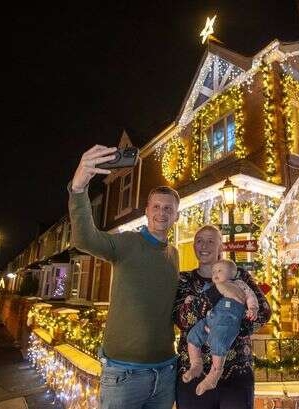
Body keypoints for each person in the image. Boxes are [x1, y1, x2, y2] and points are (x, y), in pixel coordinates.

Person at [69, 144, 180, 409]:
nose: (161, 213)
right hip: (124, 374)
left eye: (168, 209)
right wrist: (78, 189)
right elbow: (85, 238)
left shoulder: (174, 254)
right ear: (147, 211)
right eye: (156, 207)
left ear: (176, 215)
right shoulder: (127, 243)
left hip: (166, 372)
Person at [173, 225, 271, 409]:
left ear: (221, 247)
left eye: (211, 241)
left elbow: (264, 311)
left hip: (236, 374)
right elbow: (182, 318)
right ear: (194, 246)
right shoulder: (185, 280)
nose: (204, 245)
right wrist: (220, 288)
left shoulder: (239, 275)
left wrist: (231, 329)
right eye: (199, 241)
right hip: (194, 376)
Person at [182, 259, 259, 396]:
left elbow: (251, 296)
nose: (215, 274)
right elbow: (194, 306)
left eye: (220, 271)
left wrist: (252, 308)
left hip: (228, 321)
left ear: (232, 274)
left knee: (218, 342)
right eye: (214, 272)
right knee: (193, 336)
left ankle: (215, 373)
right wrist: (191, 299)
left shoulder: (240, 284)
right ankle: (196, 364)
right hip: (210, 319)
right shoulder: (209, 285)